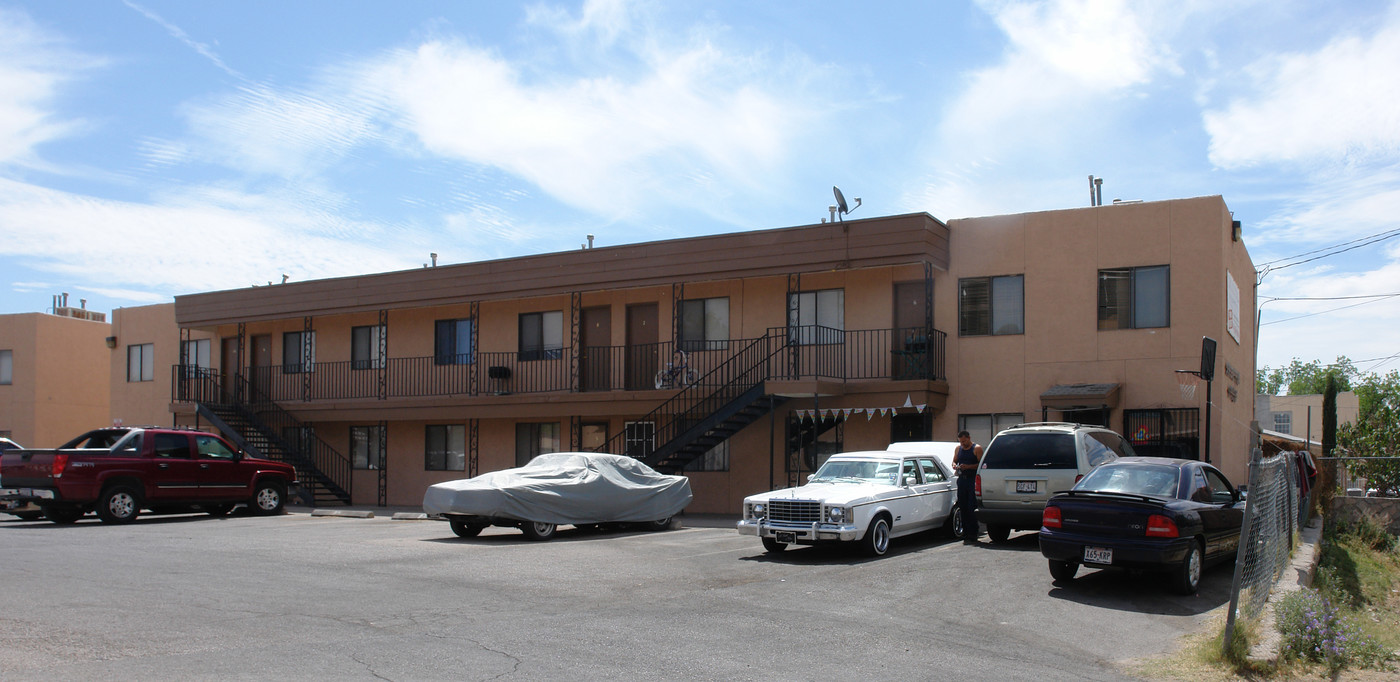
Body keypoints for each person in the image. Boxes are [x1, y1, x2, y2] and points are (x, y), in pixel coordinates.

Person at [953, 430, 982, 544]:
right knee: (963, 505)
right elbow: (954, 461)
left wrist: (969, 466)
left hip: (972, 480)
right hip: (962, 480)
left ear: (969, 438)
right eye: (961, 442)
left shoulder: (976, 448)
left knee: (971, 506)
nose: (962, 444)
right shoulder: (958, 449)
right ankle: (965, 532)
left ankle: (973, 532)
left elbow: (981, 464)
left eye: (964, 441)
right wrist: (955, 465)